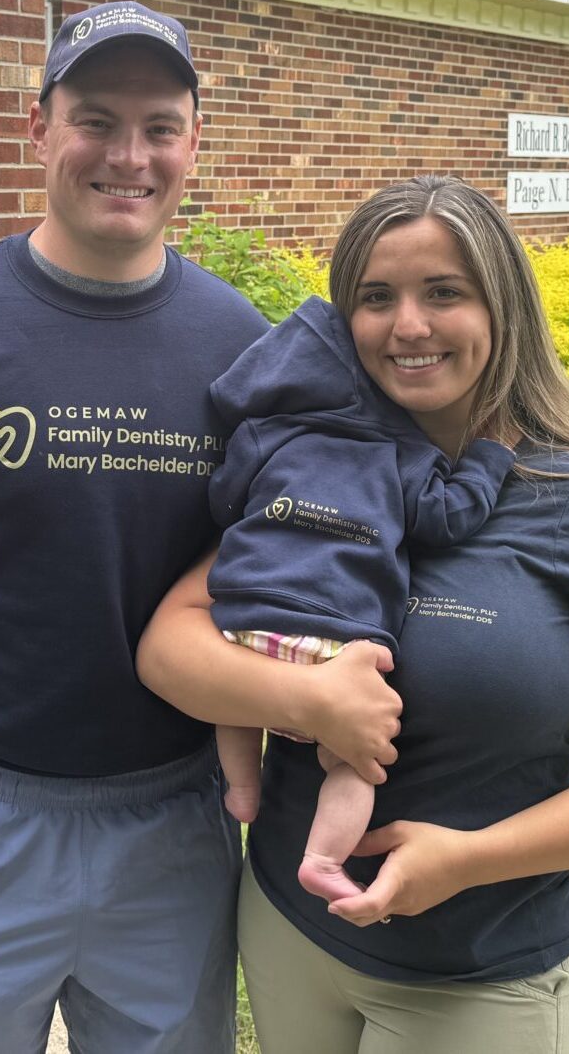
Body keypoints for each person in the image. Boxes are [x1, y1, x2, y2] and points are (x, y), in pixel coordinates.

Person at [0, 0, 402, 1054]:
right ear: (37, 128)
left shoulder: (242, 348)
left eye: (160, 126)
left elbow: (294, 554)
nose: (127, 155)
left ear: (194, 142)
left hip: (172, 824)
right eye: (96, 118)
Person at [138, 174, 569, 1054]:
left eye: (445, 293)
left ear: (503, 306)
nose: (407, 326)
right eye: (375, 297)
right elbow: (171, 643)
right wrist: (308, 704)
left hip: (484, 972)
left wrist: (467, 860)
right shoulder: (324, 461)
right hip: (290, 931)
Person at [208, 293, 515, 906]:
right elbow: (446, 518)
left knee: (231, 698)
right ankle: (323, 858)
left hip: (245, 619)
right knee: (353, 759)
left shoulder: (267, 434)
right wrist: (489, 458)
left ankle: (242, 788)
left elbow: (225, 497)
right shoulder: (402, 452)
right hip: (337, 642)